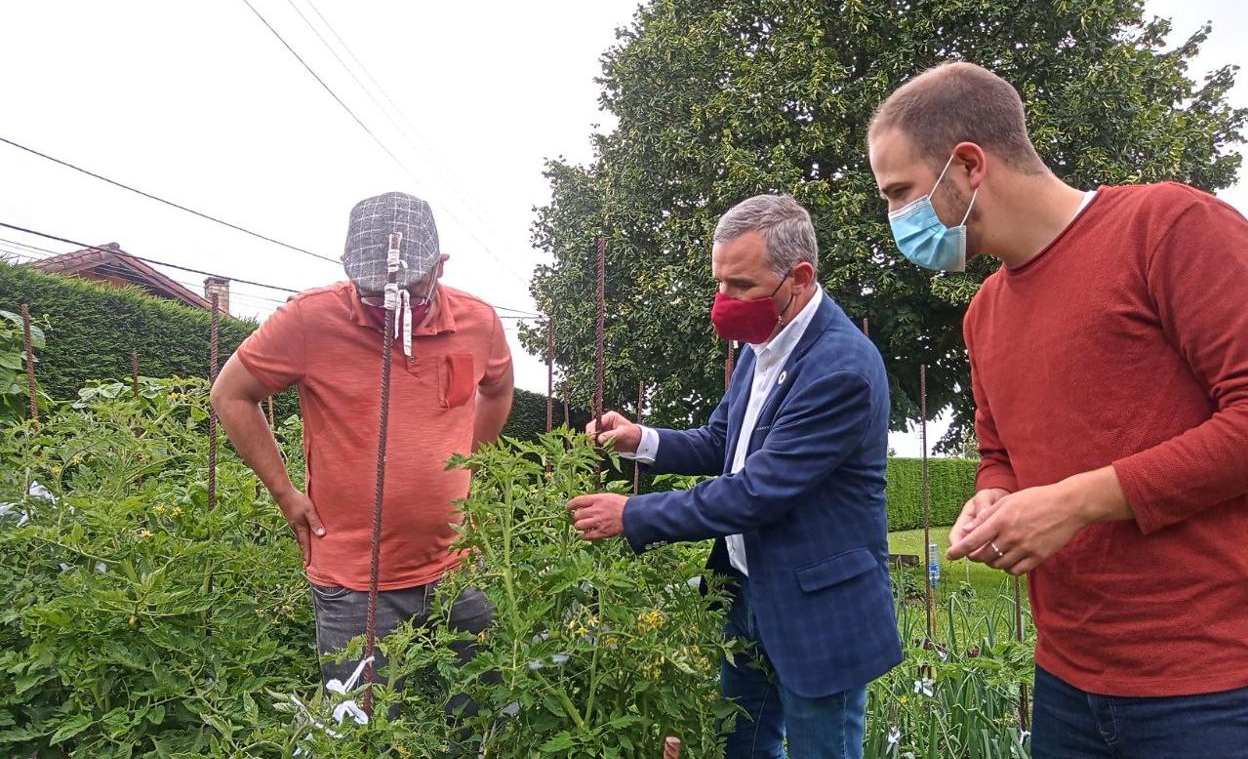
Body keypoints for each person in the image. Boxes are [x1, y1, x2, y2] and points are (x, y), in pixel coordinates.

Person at [868, 61, 1248, 758]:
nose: (897, 219)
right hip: (1067, 683)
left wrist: (1075, 502)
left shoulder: (1167, 227)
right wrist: (992, 496)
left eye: (900, 192)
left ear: (969, 165)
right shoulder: (983, 314)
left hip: (1211, 686)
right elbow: (999, 454)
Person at [566, 194, 901, 759]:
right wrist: (642, 440)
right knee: (739, 746)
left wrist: (632, 514)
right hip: (747, 589)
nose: (725, 301)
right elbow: (724, 442)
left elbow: (756, 491)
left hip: (818, 606)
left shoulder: (841, 368)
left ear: (798, 278)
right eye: (719, 283)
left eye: (741, 285)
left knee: (824, 749)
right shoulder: (762, 344)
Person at [212, 191, 514, 693]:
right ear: (347, 268)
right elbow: (230, 395)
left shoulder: (477, 322)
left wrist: (470, 465)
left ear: (440, 265)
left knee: (482, 711)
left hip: (458, 567)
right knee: (367, 729)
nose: (389, 302)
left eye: (408, 288)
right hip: (352, 580)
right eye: (373, 292)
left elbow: (498, 389)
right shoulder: (310, 320)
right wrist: (285, 493)